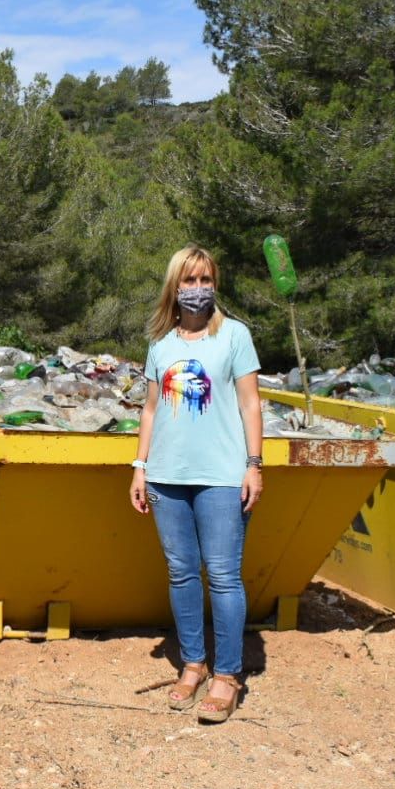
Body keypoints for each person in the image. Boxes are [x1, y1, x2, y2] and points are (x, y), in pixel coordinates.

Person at [129, 245, 264, 724]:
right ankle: (192, 664)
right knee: (182, 573)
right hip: (167, 477)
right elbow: (149, 409)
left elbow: (250, 404)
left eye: (206, 279)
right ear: (174, 286)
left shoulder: (234, 336)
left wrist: (254, 465)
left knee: (224, 576)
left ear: (215, 284)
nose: (198, 289)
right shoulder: (160, 343)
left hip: (223, 478)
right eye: (188, 281)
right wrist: (139, 466)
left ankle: (227, 676)